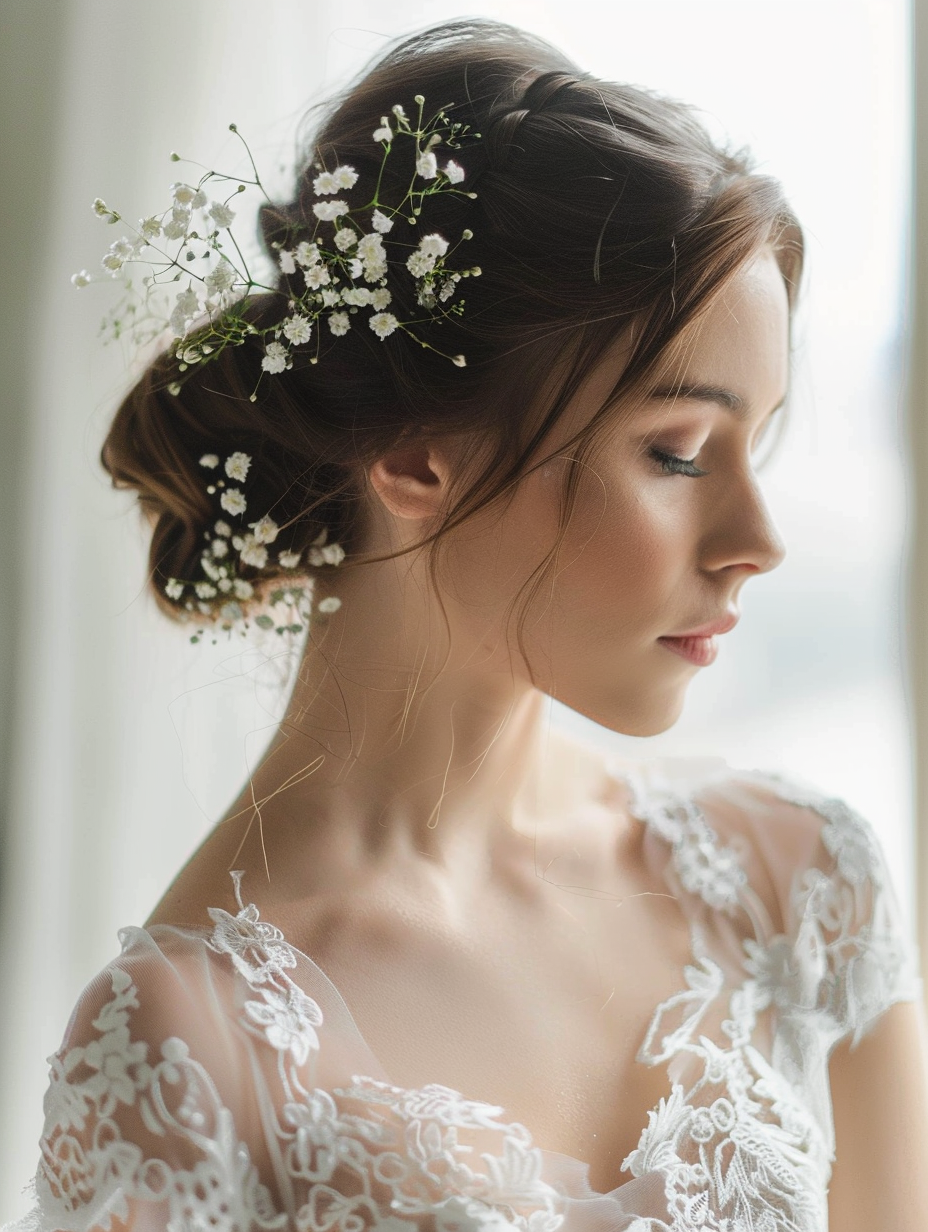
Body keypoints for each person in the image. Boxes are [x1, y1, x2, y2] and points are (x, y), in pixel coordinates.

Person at [5, 17, 928, 1232]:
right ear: (411, 450)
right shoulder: (189, 1050)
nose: (758, 534)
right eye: (680, 451)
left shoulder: (800, 884)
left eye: (757, 444)